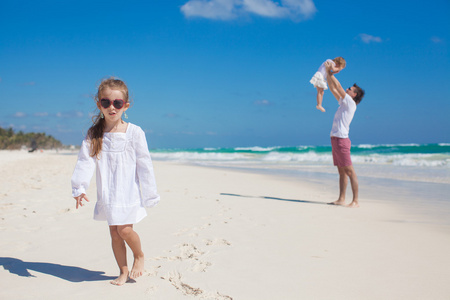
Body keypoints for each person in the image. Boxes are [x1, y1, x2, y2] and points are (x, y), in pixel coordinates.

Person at [71, 77, 160, 285]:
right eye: (106, 102)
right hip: (108, 192)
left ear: (125, 106)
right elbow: (85, 161)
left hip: (129, 191)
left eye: (117, 103)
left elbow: (145, 165)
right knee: (114, 233)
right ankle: (122, 270)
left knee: (125, 230)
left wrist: (149, 194)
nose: (112, 107)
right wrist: (79, 187)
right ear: (98, 104)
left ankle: (139, 255)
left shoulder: (135, 133)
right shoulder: (94, 134)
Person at [324, 61, 365, 208]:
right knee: (341, 172)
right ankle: (341, 199)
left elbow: (339, 87)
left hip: (342, 139)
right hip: (335, 138)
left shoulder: (351, 103)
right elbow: (333, 88)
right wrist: (326, 74)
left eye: (351, 89)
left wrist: (330, 72)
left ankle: (355, 201)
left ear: (354, 95)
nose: (347, 89)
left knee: (350, 171)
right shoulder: (344, 103)